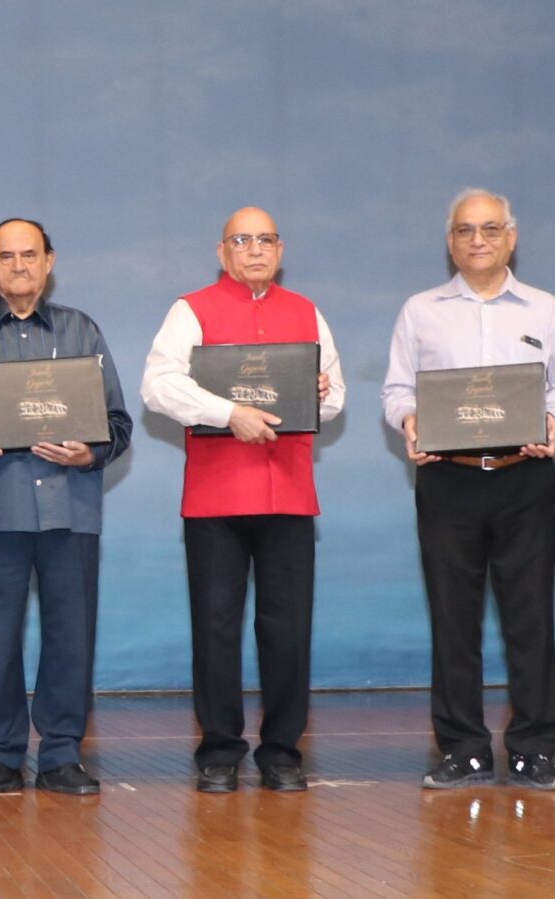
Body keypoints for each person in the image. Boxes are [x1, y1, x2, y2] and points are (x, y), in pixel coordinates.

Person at [381, 190, 555, 791]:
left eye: (490, 228)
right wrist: (410, 421)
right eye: (465, 230)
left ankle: (534, 749)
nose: (478, 240)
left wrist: (554, 423)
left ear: (511, 237)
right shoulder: (420, 311)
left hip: (524, 478)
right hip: (448, 480)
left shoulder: (545, 310)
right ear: (450, 242)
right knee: (453, 620)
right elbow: (396, 391)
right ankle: (463, 748)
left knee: (531, 618)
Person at [139, 207, 345, 794]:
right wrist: (228, 414)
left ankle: (282, 751)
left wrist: (318, 394)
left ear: (280, 248)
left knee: (288, 627)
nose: (254, 249)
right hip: (216, 494)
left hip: (289, 492)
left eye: (266, 239)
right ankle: (220, 750)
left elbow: (334, 398)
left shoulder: (306, 311)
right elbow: (158, 385)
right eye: (241, 240)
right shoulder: (190, 309)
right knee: (217, 625)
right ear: (222, 250)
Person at [0, 218, 130, 797]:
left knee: (70, 635)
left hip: (71, 508)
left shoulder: (82, 332)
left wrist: (88, 452)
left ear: (49, 262)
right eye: (6, 256)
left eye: (29, 255)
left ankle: (62, 754)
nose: (19, 265)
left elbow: (118, 424)